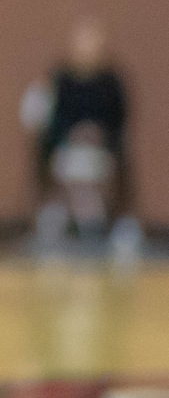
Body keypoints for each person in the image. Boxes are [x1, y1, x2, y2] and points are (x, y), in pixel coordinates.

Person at [26, 15, 136, 257]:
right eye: (82, 41)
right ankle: (57, 213)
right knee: (52, 155)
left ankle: (109, 221)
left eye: (92, 41)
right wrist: (72, 135)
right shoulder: (61, 79)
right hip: (67, 145)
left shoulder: (111, 82)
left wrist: (97, 133)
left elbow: (119, 118)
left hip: (103, 147)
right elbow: (53, 118)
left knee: (116, 159)